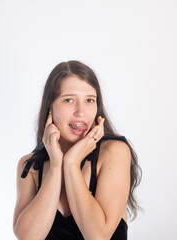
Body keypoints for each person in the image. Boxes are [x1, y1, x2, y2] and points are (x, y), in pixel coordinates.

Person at [13, 60, 142, 240]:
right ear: (50, 106)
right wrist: (57, 165)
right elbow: (28, 237)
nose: (81, 112)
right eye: (69, 100)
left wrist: (72, 163)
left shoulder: (114, 152)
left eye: (90, 100)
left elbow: (98, 236)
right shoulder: (30, 166)